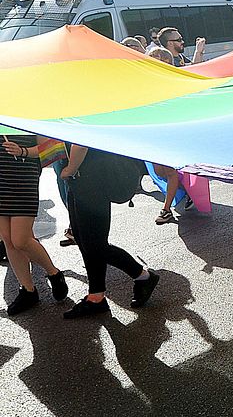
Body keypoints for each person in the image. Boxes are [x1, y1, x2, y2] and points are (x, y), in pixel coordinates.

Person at [60, 145, 159, 318]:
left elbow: (81, 141)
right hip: (80, 180)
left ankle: (143, 276)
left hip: (90, 181)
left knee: (95, 245)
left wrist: (70, 168)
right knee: (85, 241)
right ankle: (96, 296)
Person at [1, 135, 68, 315]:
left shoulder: (26, 114)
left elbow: (53, 148)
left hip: (23, 180)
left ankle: (53, 273)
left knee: (20, 239)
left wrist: (23, 151)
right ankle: (28, 290)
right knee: (8, 240)